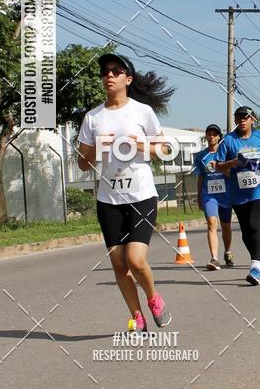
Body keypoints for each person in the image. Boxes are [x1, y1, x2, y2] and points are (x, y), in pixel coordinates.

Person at [77, 52, 171, 332]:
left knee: (135, 259)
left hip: (141, 196)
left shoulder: (143, 112)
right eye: (105, 71)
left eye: (116, 71)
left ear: (127, 79)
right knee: (119, 264)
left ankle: (153, 298)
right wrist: (96, 147)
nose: (109, 75)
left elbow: (164, 150)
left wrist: (140, 144)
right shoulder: (93, 118)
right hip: (108, 199)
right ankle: (137, 316)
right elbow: (82, 163)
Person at [214, 106, 260, 285]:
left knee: (253, 224)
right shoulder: (228, 141)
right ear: (235, 120)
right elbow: (217, 165)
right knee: (245, 231)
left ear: (252, 120)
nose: (242, 120)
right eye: (239, 117)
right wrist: (233, 162)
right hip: (238, 192)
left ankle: (256, 266)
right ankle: (257, 260)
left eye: (246, 117)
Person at [194, 124, 233, 270]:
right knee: (211, 222)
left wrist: (220, 168)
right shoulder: (200, 156)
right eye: (209, 134)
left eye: (214, 134)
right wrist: (199, 196)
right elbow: (200, 178)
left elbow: (231, 174)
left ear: (219, 137)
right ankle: (214, 258)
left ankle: (227, 251)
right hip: (209, 195)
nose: (211, 136)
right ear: (206, 136)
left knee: (226, 225)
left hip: (225, 195)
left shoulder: (225, 154)